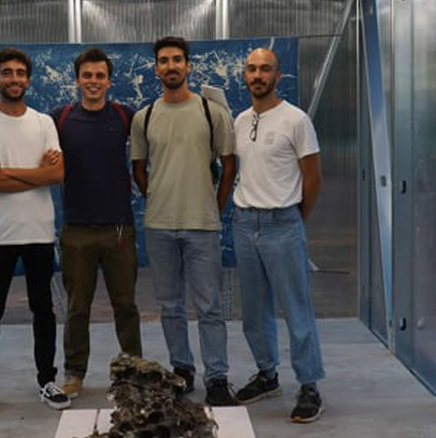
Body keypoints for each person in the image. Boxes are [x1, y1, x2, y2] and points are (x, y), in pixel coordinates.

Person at [130, 36, 238, 406]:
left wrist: (214, 208)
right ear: (156, 68)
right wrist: (159, 198)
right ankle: (182, 370)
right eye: (164, 60)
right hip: (159, 227)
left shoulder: (212, 112)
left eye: (177, 59)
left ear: (188, 66)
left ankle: (217, 377)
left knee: (209, 306)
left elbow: (229, 165)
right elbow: (138, 169)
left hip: (202, 226)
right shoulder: (144, 117)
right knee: (171, 306)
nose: (171, 66)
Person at [0, 47, 70, 416]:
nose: (14, 79)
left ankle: (47, 380)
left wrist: (9, 172)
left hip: (38, 233)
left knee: (43, 310)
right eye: (7, 73)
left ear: (28, 79)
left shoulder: (44, 123)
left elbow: (56, 175)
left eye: (20, 73)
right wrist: (35, 174)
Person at [230, 48, 325, 423]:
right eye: (252, 69)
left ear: (277, 75)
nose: (258, 75)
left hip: (283, 224)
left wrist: (294, 220)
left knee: (296, 310)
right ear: (245, 75)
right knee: (254, 311)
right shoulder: (240, 121)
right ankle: (267, 374)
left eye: (265, 69)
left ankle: (309, 385)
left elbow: (313, 178)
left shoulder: (296, 120)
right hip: (244, 223)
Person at [50, 48, 143, 398]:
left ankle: (133, 371)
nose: (93, 81)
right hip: (76, 230)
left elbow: (167, 132)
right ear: (77, 80)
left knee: (126, 306)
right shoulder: (59, 119)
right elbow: (20, 131)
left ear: (108, 81)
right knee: (77, 307)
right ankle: (74, 372)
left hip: (119, 229)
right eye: (87, 75)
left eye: (99, 76)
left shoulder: (124, 116)